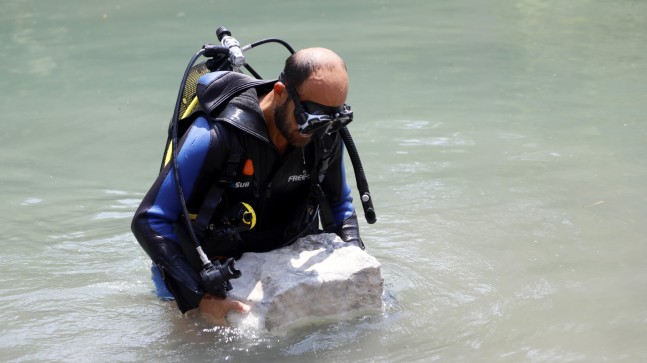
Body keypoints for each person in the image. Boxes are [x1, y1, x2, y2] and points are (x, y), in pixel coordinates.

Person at [131, 47, 363, 323]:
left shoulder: (324, 136)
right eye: (311, 116)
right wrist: (197, 298)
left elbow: (339, 205)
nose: (320, 130)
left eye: (332, 119)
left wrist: (358, 268)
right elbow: (150, 220)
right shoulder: (215, 135)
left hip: (281, 260)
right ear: (280, 92)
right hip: (205, 272)